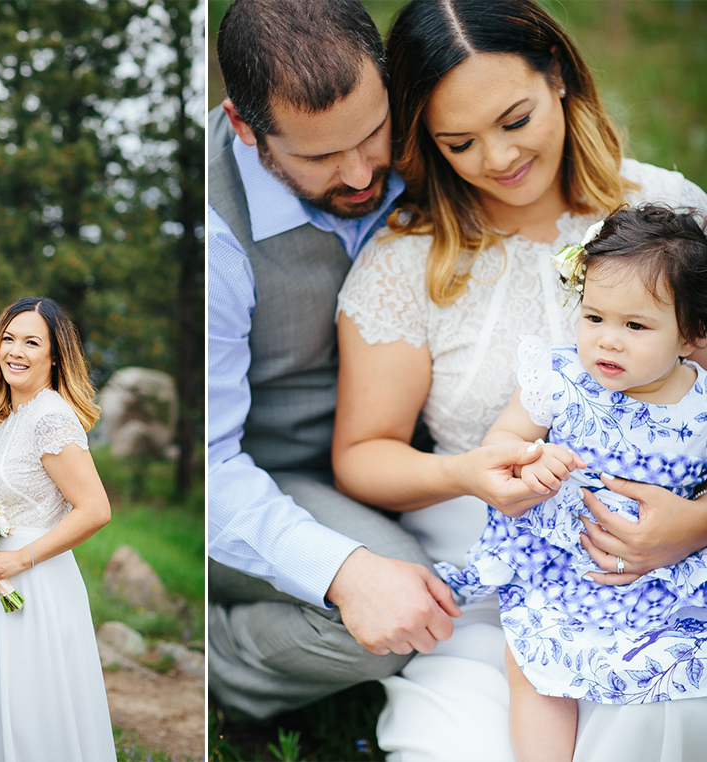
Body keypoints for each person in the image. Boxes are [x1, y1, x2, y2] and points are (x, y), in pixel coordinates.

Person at [333, 1, 707, 759]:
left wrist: (695, 524)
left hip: (678, 553)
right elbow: (362, 454)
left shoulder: (672, 221)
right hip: (499, 568)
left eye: (515, 119)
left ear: (560, 76)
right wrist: (466, 472)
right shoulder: (409, 261)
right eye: (460, 142)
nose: (498, 159)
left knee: (659, 717)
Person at [207, 0, 466, 721]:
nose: (362, 174)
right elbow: (213, 469)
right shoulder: (215, 239)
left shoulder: (420, 121)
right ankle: (224, 666)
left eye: (373, 133)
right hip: (270, 476)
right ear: (243, 127)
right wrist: (344, 571)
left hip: (414, 451)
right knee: (404, 605)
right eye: (320, 156)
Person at [438, 205, 707, 762]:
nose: (608, 341)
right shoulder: (560, 380)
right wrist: (530, 462)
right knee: (534, 663)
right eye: (594, 317)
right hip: (561, 561)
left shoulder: (702, 402)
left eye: (635, 326)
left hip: (664, 568)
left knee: (677, 668)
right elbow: (502, 442)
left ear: (692, 333)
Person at [0, 296, 115, 761]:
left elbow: (94, 509)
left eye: (32, 342)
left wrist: (19, 557)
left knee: (39, 712)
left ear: (54, 356)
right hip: (1, 582)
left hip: (37, 581)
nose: (16, 351)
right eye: (9, 339)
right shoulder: (5, 416)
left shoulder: (50, 416)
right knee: (13, 708)